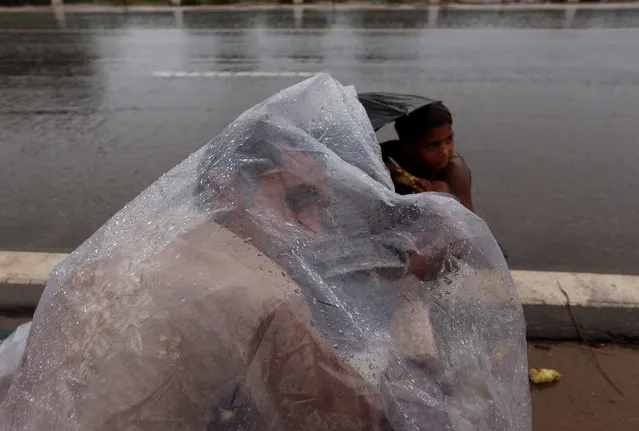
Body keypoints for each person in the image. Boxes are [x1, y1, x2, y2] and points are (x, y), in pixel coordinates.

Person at [381, 101, 474, 212]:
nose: (444, 152)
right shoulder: (390, 156)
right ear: (407, 147)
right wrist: (395, 175)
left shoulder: (455, 168)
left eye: (449, 139)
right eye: (432, 146)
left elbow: (469, 217)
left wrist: (446, 197)